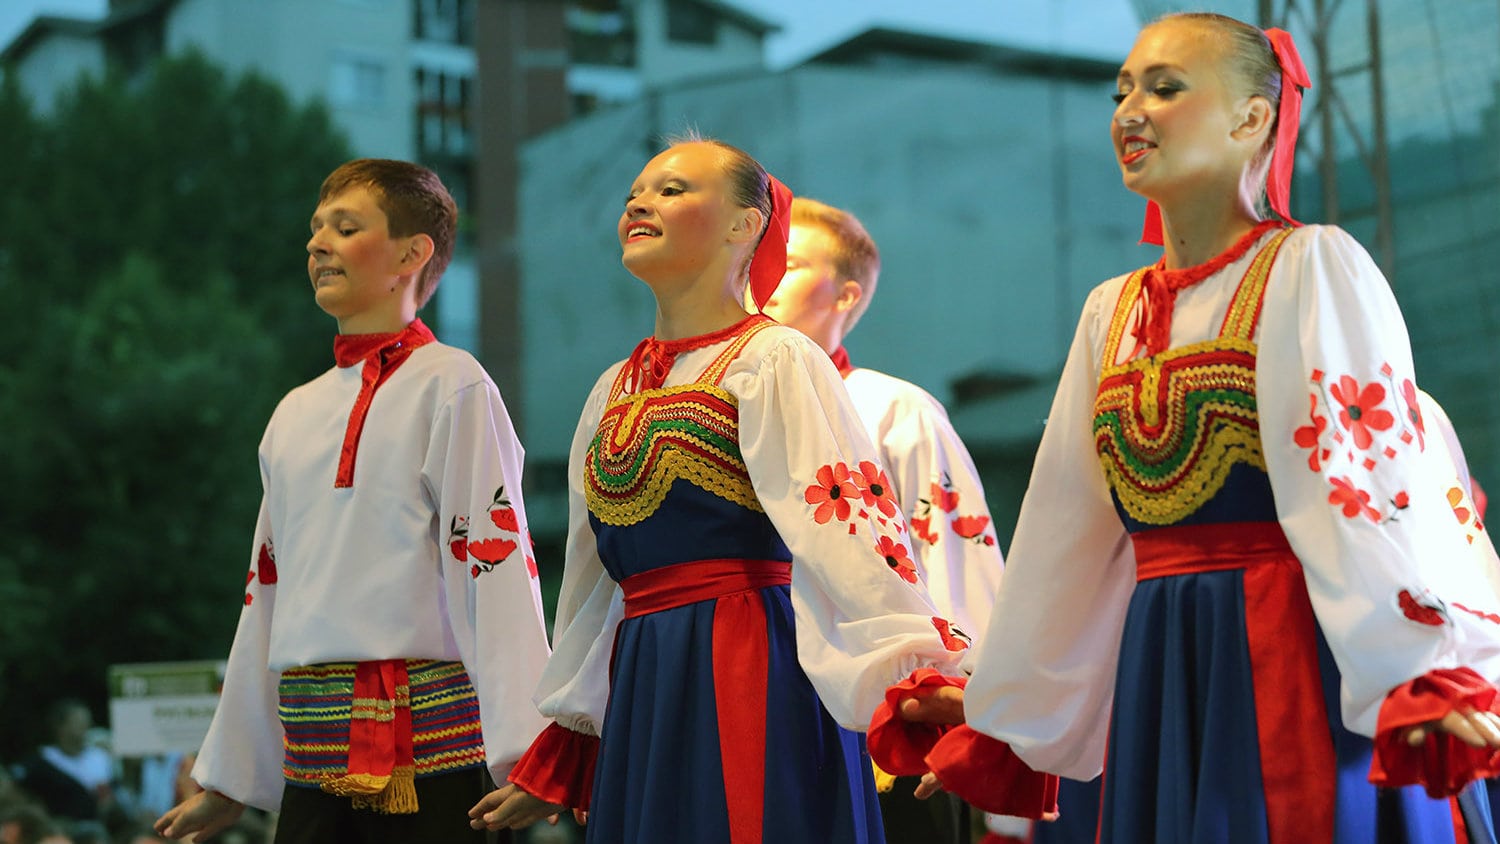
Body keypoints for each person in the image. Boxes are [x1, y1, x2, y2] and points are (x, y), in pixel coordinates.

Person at [871, 13, 1500, 843]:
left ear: (1252, 119)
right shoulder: (1112, 310)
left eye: (1165, 88)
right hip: (1159, 655)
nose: (1130, 110)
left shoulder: (1311, 265)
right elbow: (1066, 528)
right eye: (1121, 90)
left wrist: (1419, 672)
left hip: (1291, 649)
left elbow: (1366, 488)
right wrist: (1006, 704)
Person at [467, 138, 968, 843]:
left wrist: (923, 681)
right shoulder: (613, 388)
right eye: (634, 194)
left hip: (753, 667)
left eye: (672, 190)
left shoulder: (775, 357)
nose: (640, 202)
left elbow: (852, 537)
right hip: (645, 677)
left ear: (746, 224)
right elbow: (589, 589)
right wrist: (569, 740)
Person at [152, 159, 552, 843]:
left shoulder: (452, 385)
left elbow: (498, 566)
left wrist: (529, 756)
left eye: (345, 226)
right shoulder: (293, 412)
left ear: (411, 253)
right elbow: (265, 597)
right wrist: (231, 779)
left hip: (438, 759)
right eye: (315, 229)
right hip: (313, 769)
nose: (317, 244)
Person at [758, 197, 1008, 843]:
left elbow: (956, 563)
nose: (765, 279)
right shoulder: (720, 413)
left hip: (880, 723)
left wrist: (969, 718)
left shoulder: (894, 409)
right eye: (759, 261)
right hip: (755, 699)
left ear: (845, 296)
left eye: (787, 263)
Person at [14, 701, 114, 829]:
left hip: (95, 828)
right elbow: (21, 795)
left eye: (86, 720)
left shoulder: (99, 757)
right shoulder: (42, 760)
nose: (85, 725)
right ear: (59, 726)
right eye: (78, 721)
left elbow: (106, 796)